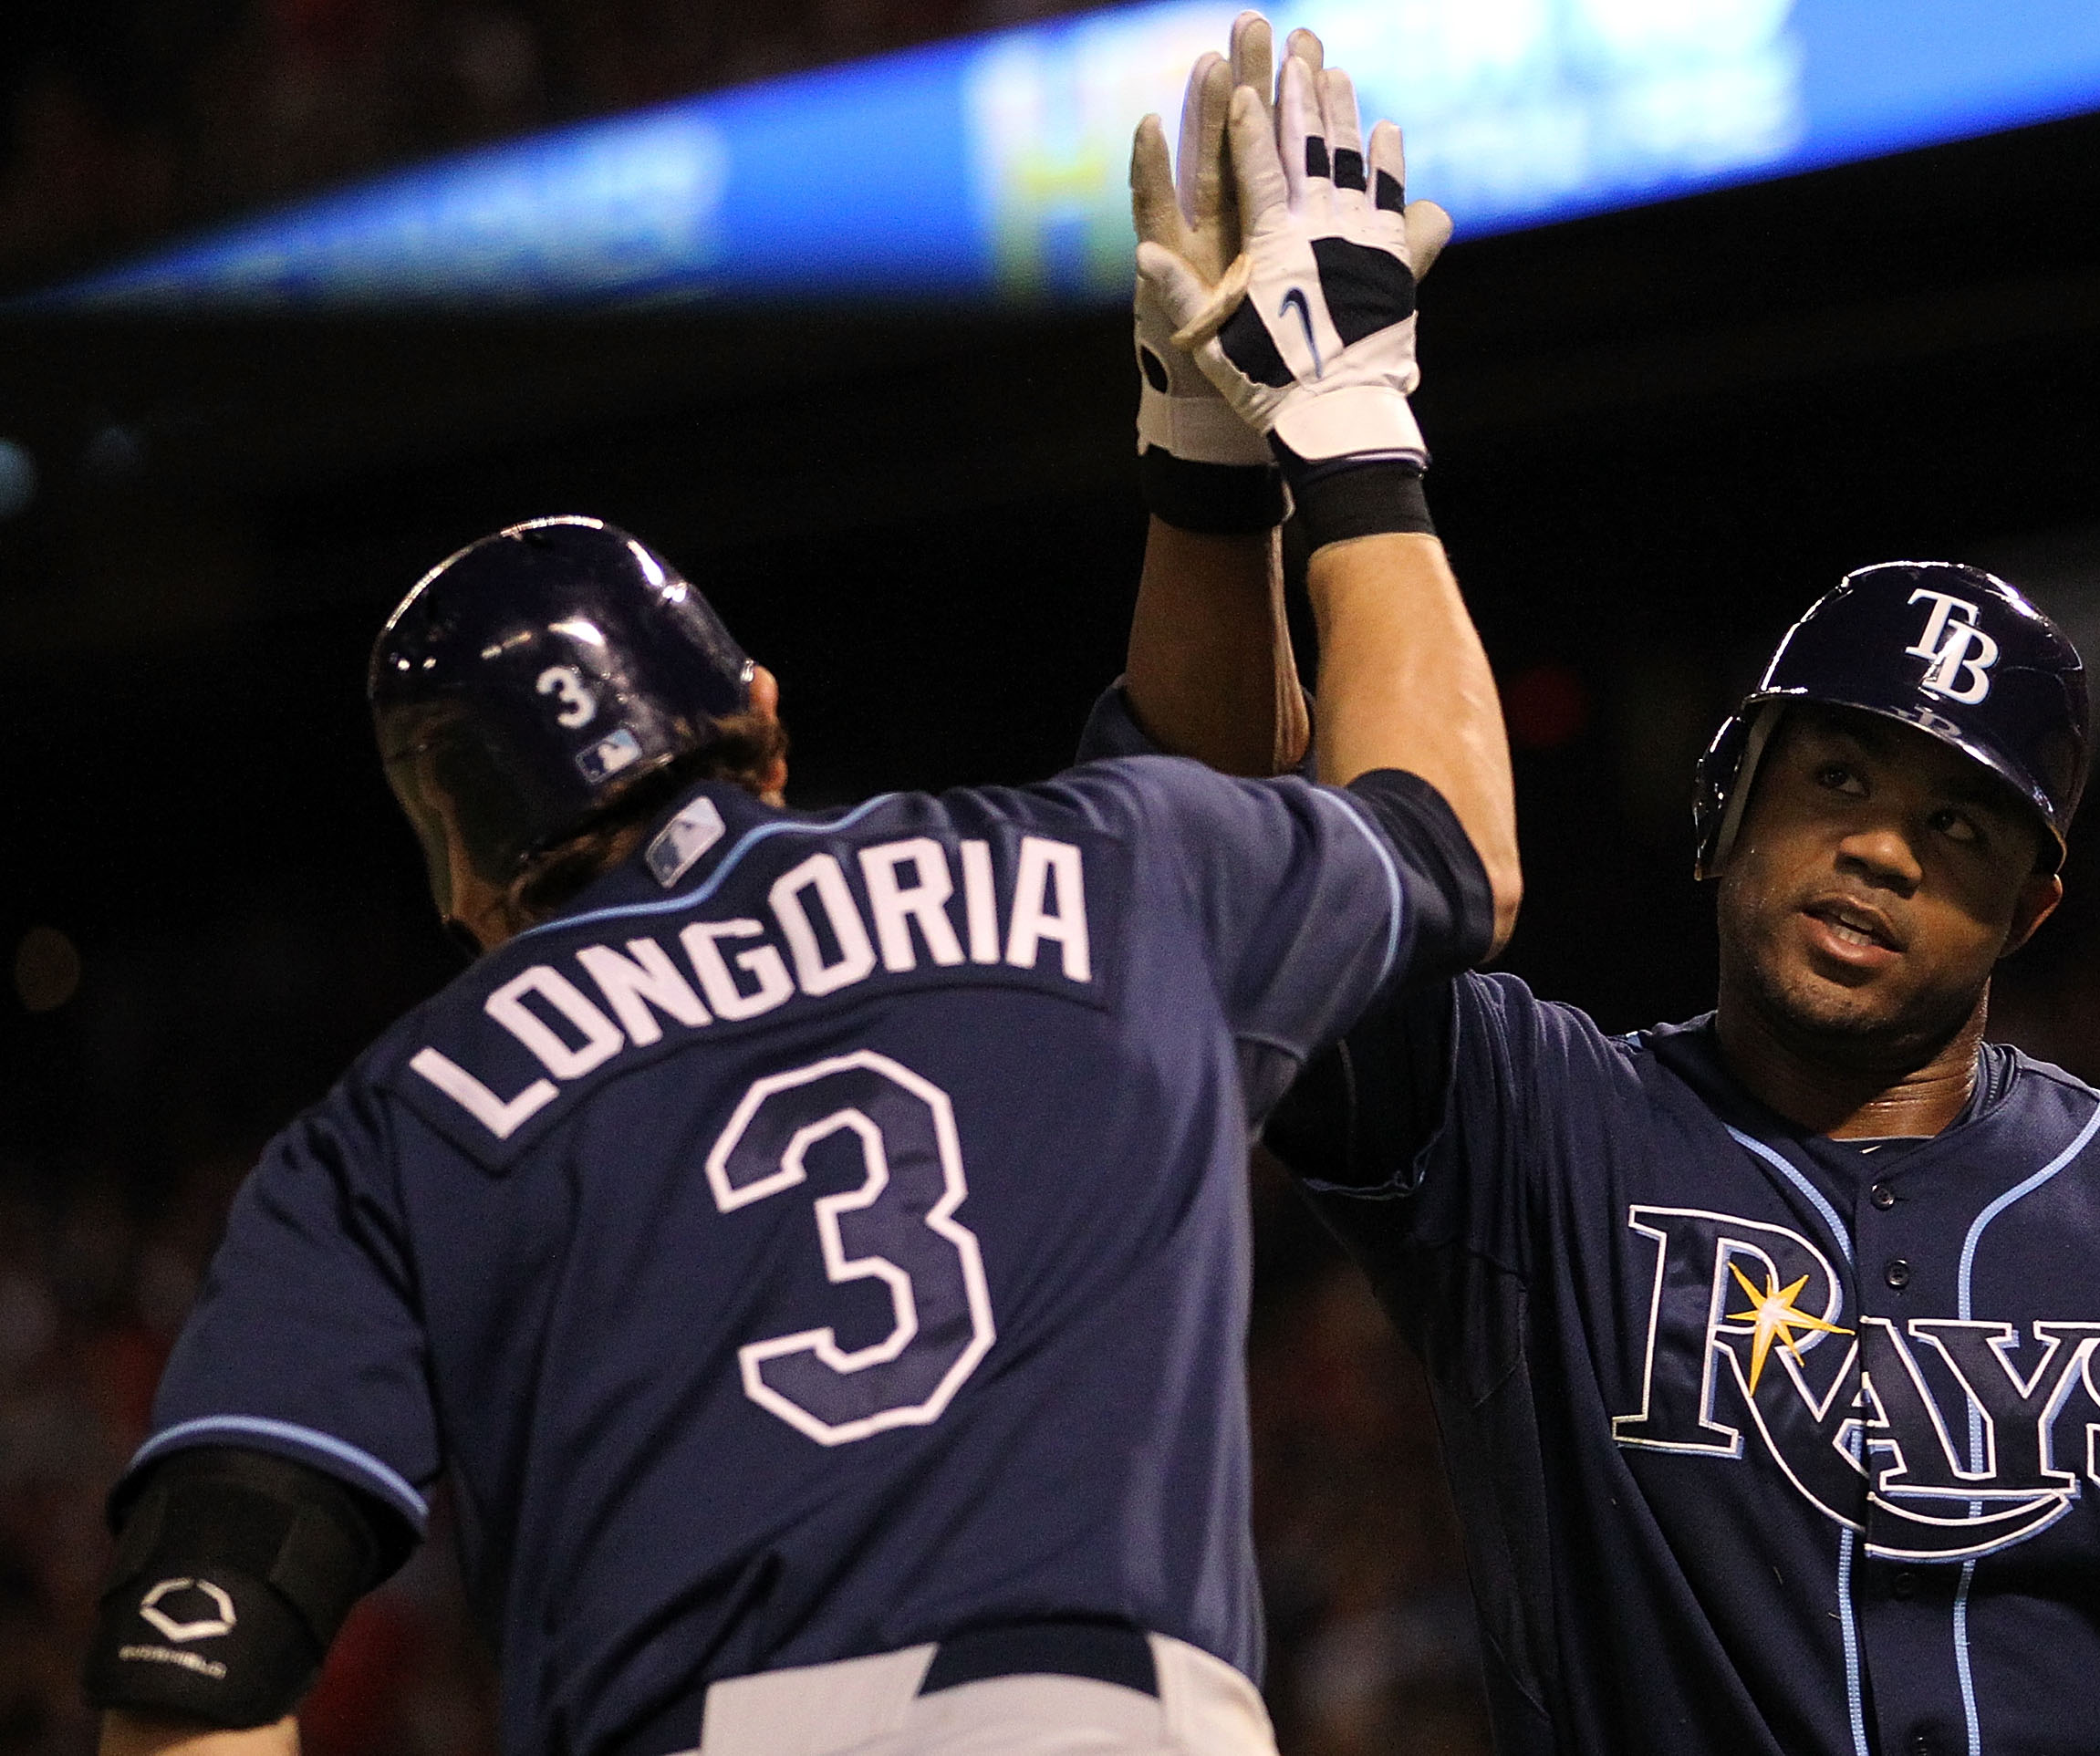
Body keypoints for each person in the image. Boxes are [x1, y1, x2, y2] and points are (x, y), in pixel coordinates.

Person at [1107, 38, 2100, 1748]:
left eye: (1962, 830)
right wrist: (1210, 477)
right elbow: (1219, 865)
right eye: (1842, 780)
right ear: (1726, 807)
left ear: (2031, 908)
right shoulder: (1530, 1129)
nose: (1885, 846)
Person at [82, 35, 1508, 1756]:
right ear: (758, 714)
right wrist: (1325, 431)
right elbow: (1446, 838)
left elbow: (200, 1664)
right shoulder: (1105, 862)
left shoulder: (399, 1118)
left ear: (465, 883)